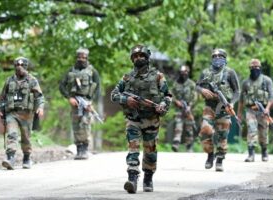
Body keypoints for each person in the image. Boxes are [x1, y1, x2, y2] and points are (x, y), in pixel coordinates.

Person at [111, 45, 172, 193]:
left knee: (150, 151)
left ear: (147, 58)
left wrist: (162, 105)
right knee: (133, 147)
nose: (138, 58)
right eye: (135, 56)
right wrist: (126, 100)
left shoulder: (158, 76)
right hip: (133, 119)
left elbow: (167, 96)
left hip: (151, 119)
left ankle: (148, 178)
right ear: (132, 59)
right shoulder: (127, 77)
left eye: (141, 55)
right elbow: (114, 94)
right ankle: (132, 178)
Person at [196, 48, 240, 172]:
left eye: (220, 56)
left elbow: (237, 91)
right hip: (209, 106)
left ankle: (220, 159)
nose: (217, 58)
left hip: (224, 107)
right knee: (205, 130)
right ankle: (210, 155)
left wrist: (231, 103)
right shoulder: (205, 72)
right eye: (214, 56)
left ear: (225, 58)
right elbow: (197, 85)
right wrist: (202, 90)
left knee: (222, 135)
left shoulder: (230, 72)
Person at [0, 57, 45, 170]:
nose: (19, 68)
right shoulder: (9, 81)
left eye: (22, 65)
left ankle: (27, 158)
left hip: (26, 115)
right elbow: (3, 97)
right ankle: (10, 158)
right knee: (12, 134)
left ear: (26, 66)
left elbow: (40, 97)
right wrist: (0, 109)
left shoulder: (32, 80)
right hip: (12, 113)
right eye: (17, 65)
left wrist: (40, 107)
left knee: (26, 137)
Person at [59, 48, 100, 160]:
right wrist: (69, 98)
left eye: (84, 57)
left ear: (87, 58)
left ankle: (85, 149)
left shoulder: (92, 71)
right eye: (79, 57)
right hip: (75, 102)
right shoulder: (70, 71)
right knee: (76, 125)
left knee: (85, 124)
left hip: (87, 102)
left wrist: (91, 102)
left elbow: (97, 88)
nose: (81, 59)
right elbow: (62, 86)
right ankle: (79, 149)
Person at [237, 58, 273, 162]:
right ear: (249, 68)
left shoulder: (266, 80)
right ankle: (251, 154)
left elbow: (272, 96)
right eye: (252, 67)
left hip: (263, 111)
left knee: (263, 132)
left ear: (260, 68)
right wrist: (239, 113)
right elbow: (241, 99)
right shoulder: (246, 82)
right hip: (250, 110)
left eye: (256, 67)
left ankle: (264, 152)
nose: (254, 69)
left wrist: (267, 109)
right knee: (251, 129)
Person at [171, 65, 197, 152]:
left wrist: (190, 106)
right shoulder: (176, 84)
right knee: (178, 126)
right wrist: (176, 101)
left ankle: (189, 146)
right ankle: (176, 144)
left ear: (188, 72)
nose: (183, 74)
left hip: (188, 109)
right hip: (179, 109)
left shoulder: (191, 84)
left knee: (189, 128)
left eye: (185, 72)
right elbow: (171, 95)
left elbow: (195, 97)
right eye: (182, 72)